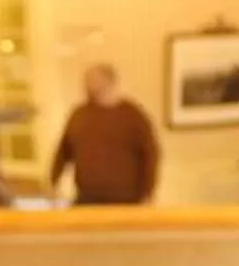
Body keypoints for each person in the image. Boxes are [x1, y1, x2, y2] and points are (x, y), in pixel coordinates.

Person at [48, 64, 161, 205]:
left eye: (93, 80)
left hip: (125, 199)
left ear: (110, 81)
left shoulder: (132, 115)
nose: (87, 85)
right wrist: (53, 182)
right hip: (86, 198)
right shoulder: (79, 115)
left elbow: (150, 155)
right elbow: (63, 152)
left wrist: (148, 193)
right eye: (87, 81)